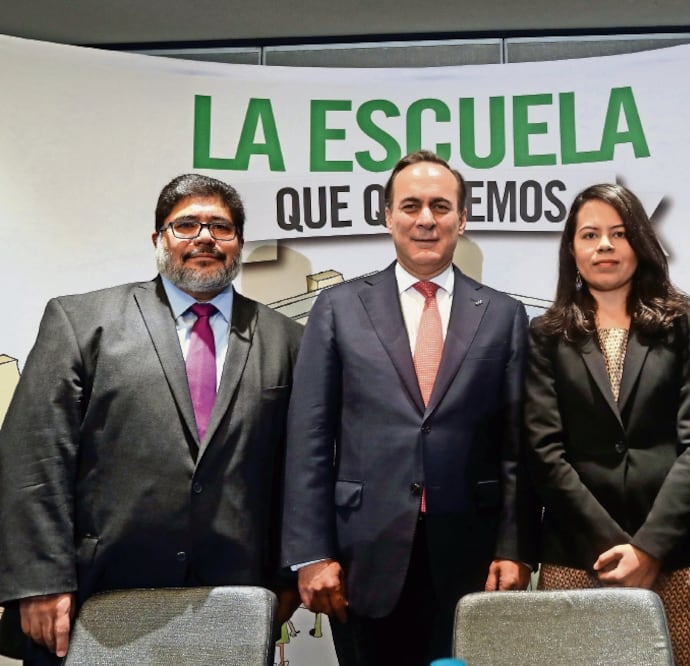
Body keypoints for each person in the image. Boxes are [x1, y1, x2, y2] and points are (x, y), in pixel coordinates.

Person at [0, 174, 303, 664]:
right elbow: (34, 459)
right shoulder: (82, 322)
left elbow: (301, 470)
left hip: (234, 598)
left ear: (239, 242)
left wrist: (288, 577)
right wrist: (39, 581)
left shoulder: (287, 339)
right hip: (93, 598)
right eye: (186, 225)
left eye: (221, 227)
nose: (204, 237)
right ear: (158, 238)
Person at [282, 150, 538, 666]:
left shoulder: (504, 314)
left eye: (441, 207)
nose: (426, 219)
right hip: (361, 556)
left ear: (462, 219)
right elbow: (309, 439)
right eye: (411, 206)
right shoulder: (338, 308)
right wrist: (312, 553)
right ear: (387, 216)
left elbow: (518, 446)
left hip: (471, 555)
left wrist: (515, 548)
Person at [525, 183, 690, 665]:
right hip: (578, 554)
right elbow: (544, 451)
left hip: (677, 554)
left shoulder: (680, 321)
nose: (605, 246)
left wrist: (650, 548)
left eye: (619, 233)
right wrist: (616, 547)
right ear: (571, 249)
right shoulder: (546, 334)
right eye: (590, 235)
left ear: (640, 242)